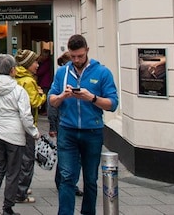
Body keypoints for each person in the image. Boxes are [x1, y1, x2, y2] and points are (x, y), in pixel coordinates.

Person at [48, 34, 119, 215]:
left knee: (90, 179)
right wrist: (63, 96)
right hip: (68, 131)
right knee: (66, 177)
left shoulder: (102, 72)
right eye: (73, 56)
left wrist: (91, 98)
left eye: (80, 56)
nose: (76, 60)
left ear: (87, 51)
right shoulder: (62, 72)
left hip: (92, 131)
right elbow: (52, 100)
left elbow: (113, 104)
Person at [0, 54, 40, 215]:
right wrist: (34, 132)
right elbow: (25, 116)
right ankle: (7, 207)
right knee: (13, 172)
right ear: (13, 70)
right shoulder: (19, 91)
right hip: (15, 135)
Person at [48, 52, 83, 197]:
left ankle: (63, 181)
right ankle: (66, 182)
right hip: (65, 123)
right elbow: (52, 103)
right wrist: (53, 126)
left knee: (67, 155)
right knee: (68, 156)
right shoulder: (61, 77)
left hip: (71, 123)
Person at [13, 49, 46, 205]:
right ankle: (21, 192)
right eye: (35, 62)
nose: (37, 65)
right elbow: (34, 102)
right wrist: (42, 95)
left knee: (18, 159)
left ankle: (18, 187)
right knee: (27, 159)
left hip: (15, 124)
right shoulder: (28, 81)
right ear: (27, 64)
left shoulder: (15, 77)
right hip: (27, 124)